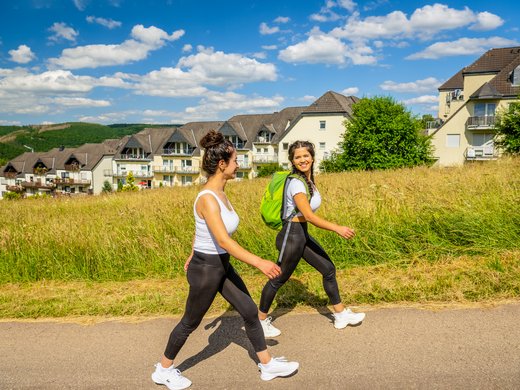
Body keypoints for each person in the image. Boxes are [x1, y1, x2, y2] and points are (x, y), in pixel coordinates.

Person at [152, 130, 299, 390]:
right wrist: (260, 262)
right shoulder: (208, 198)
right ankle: (163, 369)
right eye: (234, 160)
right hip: (206, 270)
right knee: (190, 322)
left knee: (249, 311)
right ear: (222, 165)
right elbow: (223, 241)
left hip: (219, 265)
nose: (238, 164)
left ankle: (267, 365)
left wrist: (193, 249)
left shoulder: (220, 193)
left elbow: (205, 230)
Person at [258, 140, 365, 337]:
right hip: (291, 236)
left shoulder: (307, 181)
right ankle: (260, 321)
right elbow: (309, 216)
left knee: (328, 269)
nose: (302, 160)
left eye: (306, 155)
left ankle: (340, 314)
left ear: (312, 157)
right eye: (297, 157)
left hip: (301, 234)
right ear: (292, 160)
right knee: (278, 278)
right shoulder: (297, 183)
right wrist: (337, 228)